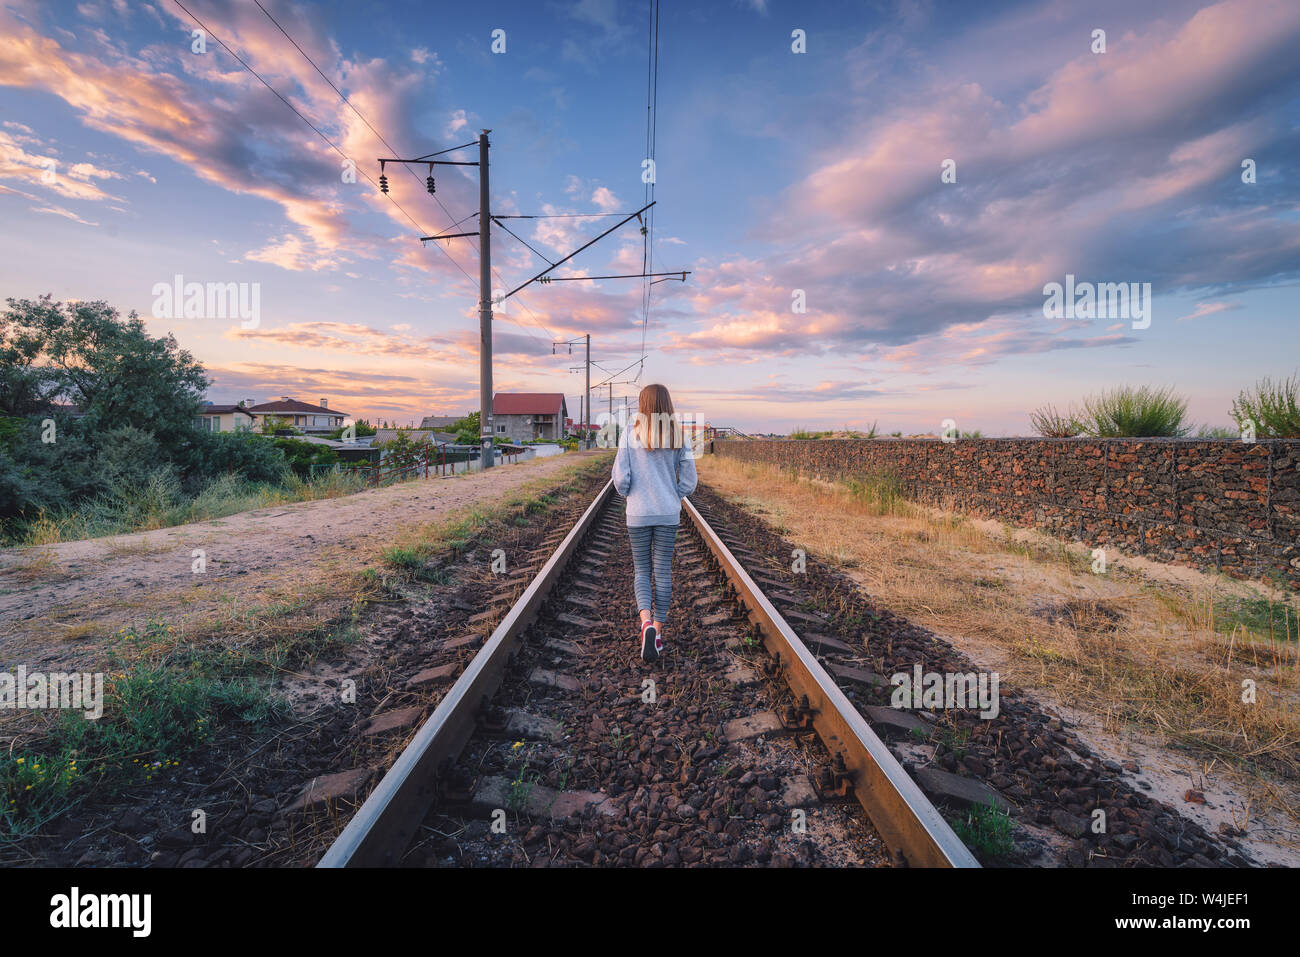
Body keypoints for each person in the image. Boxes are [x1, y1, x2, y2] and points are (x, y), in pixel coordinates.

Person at [611, 384, 698, 662]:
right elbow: (690, 481)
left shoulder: (629, 433)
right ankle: (657, 632)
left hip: (638, 513)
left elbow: (621, 478)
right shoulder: (679, 435)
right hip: (667, 513)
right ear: (667, 404)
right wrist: (673, 494)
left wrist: (630, 495)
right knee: (662, 572)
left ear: (642, 404)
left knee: (641, 571)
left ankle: (645, 622)